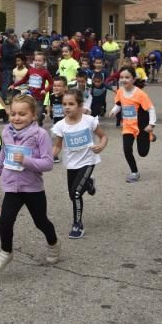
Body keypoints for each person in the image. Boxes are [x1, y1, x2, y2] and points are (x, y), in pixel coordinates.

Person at [0, 94, 59, 269]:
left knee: (41, 222)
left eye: (22, 114)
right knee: (5, 220)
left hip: (32, 188)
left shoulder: (40, 135)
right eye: (13, 114)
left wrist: (26, 161)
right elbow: (4, 153)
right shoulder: (6, 132)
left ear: (33, 115)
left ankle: (54, 244)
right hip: (12, 186)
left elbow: (48, 163)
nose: (16, 118)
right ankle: (6, 251)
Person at [52, 89, 107, 240]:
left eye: (71, 104)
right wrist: (48, 156)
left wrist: (101, 146)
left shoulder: (89, 121)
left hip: (88, 161)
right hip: (71, 164)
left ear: (80, 105)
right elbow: (57, 146)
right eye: (64, 104)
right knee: (72, 194)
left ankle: (77, 224)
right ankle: (89, 184)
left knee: (75, 193)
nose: (67, 107)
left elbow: (103, 136)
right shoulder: (60, 125)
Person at [109, 66, 156, 183]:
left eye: (127, 77)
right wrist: (114, 110)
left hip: (142, 126)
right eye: (121, 77)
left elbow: (151, 109)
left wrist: (151, 124)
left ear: (133, 79)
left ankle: (149, 136)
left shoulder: (140, 94)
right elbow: (119, 104)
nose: (124, 80)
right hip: (128, 126)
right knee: (127, 149)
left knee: (143, 153)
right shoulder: (120, 91)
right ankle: (134, 172)